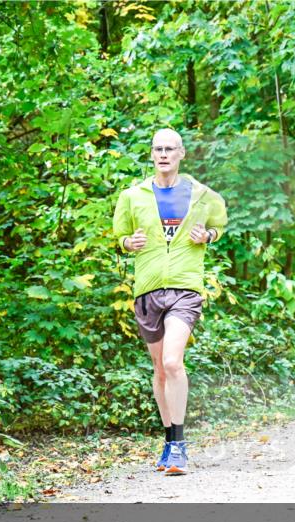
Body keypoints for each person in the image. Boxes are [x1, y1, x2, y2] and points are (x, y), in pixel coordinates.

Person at [112, 128, 227, 475]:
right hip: (147, 289)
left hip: (185, 287)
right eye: (158, 149)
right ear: (152, 154)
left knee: (173, 362)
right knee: (160, 370)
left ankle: (178, 446)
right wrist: (127, 243)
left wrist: (207, 235)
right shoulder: (132, 196)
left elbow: (219, 226)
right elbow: (120, 235)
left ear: (181, 154)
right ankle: (168, 440)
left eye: (170, 149)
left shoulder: (202, 195)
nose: (163, 154)